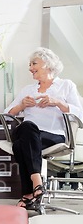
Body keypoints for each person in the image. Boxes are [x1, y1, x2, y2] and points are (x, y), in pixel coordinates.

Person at [4, 47, 83, 211]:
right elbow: (7, 114)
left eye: (34, 63)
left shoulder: (66, 86)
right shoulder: (28, 90)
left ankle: (27, 194)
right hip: (29, 131)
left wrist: (58, 103)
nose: (30, 68)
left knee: (19, 145)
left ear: (47, 64)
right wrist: (21, 105)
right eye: (30, 64)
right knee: (27, 127)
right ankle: (37, 184)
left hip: (54, 136)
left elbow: (80, 114)